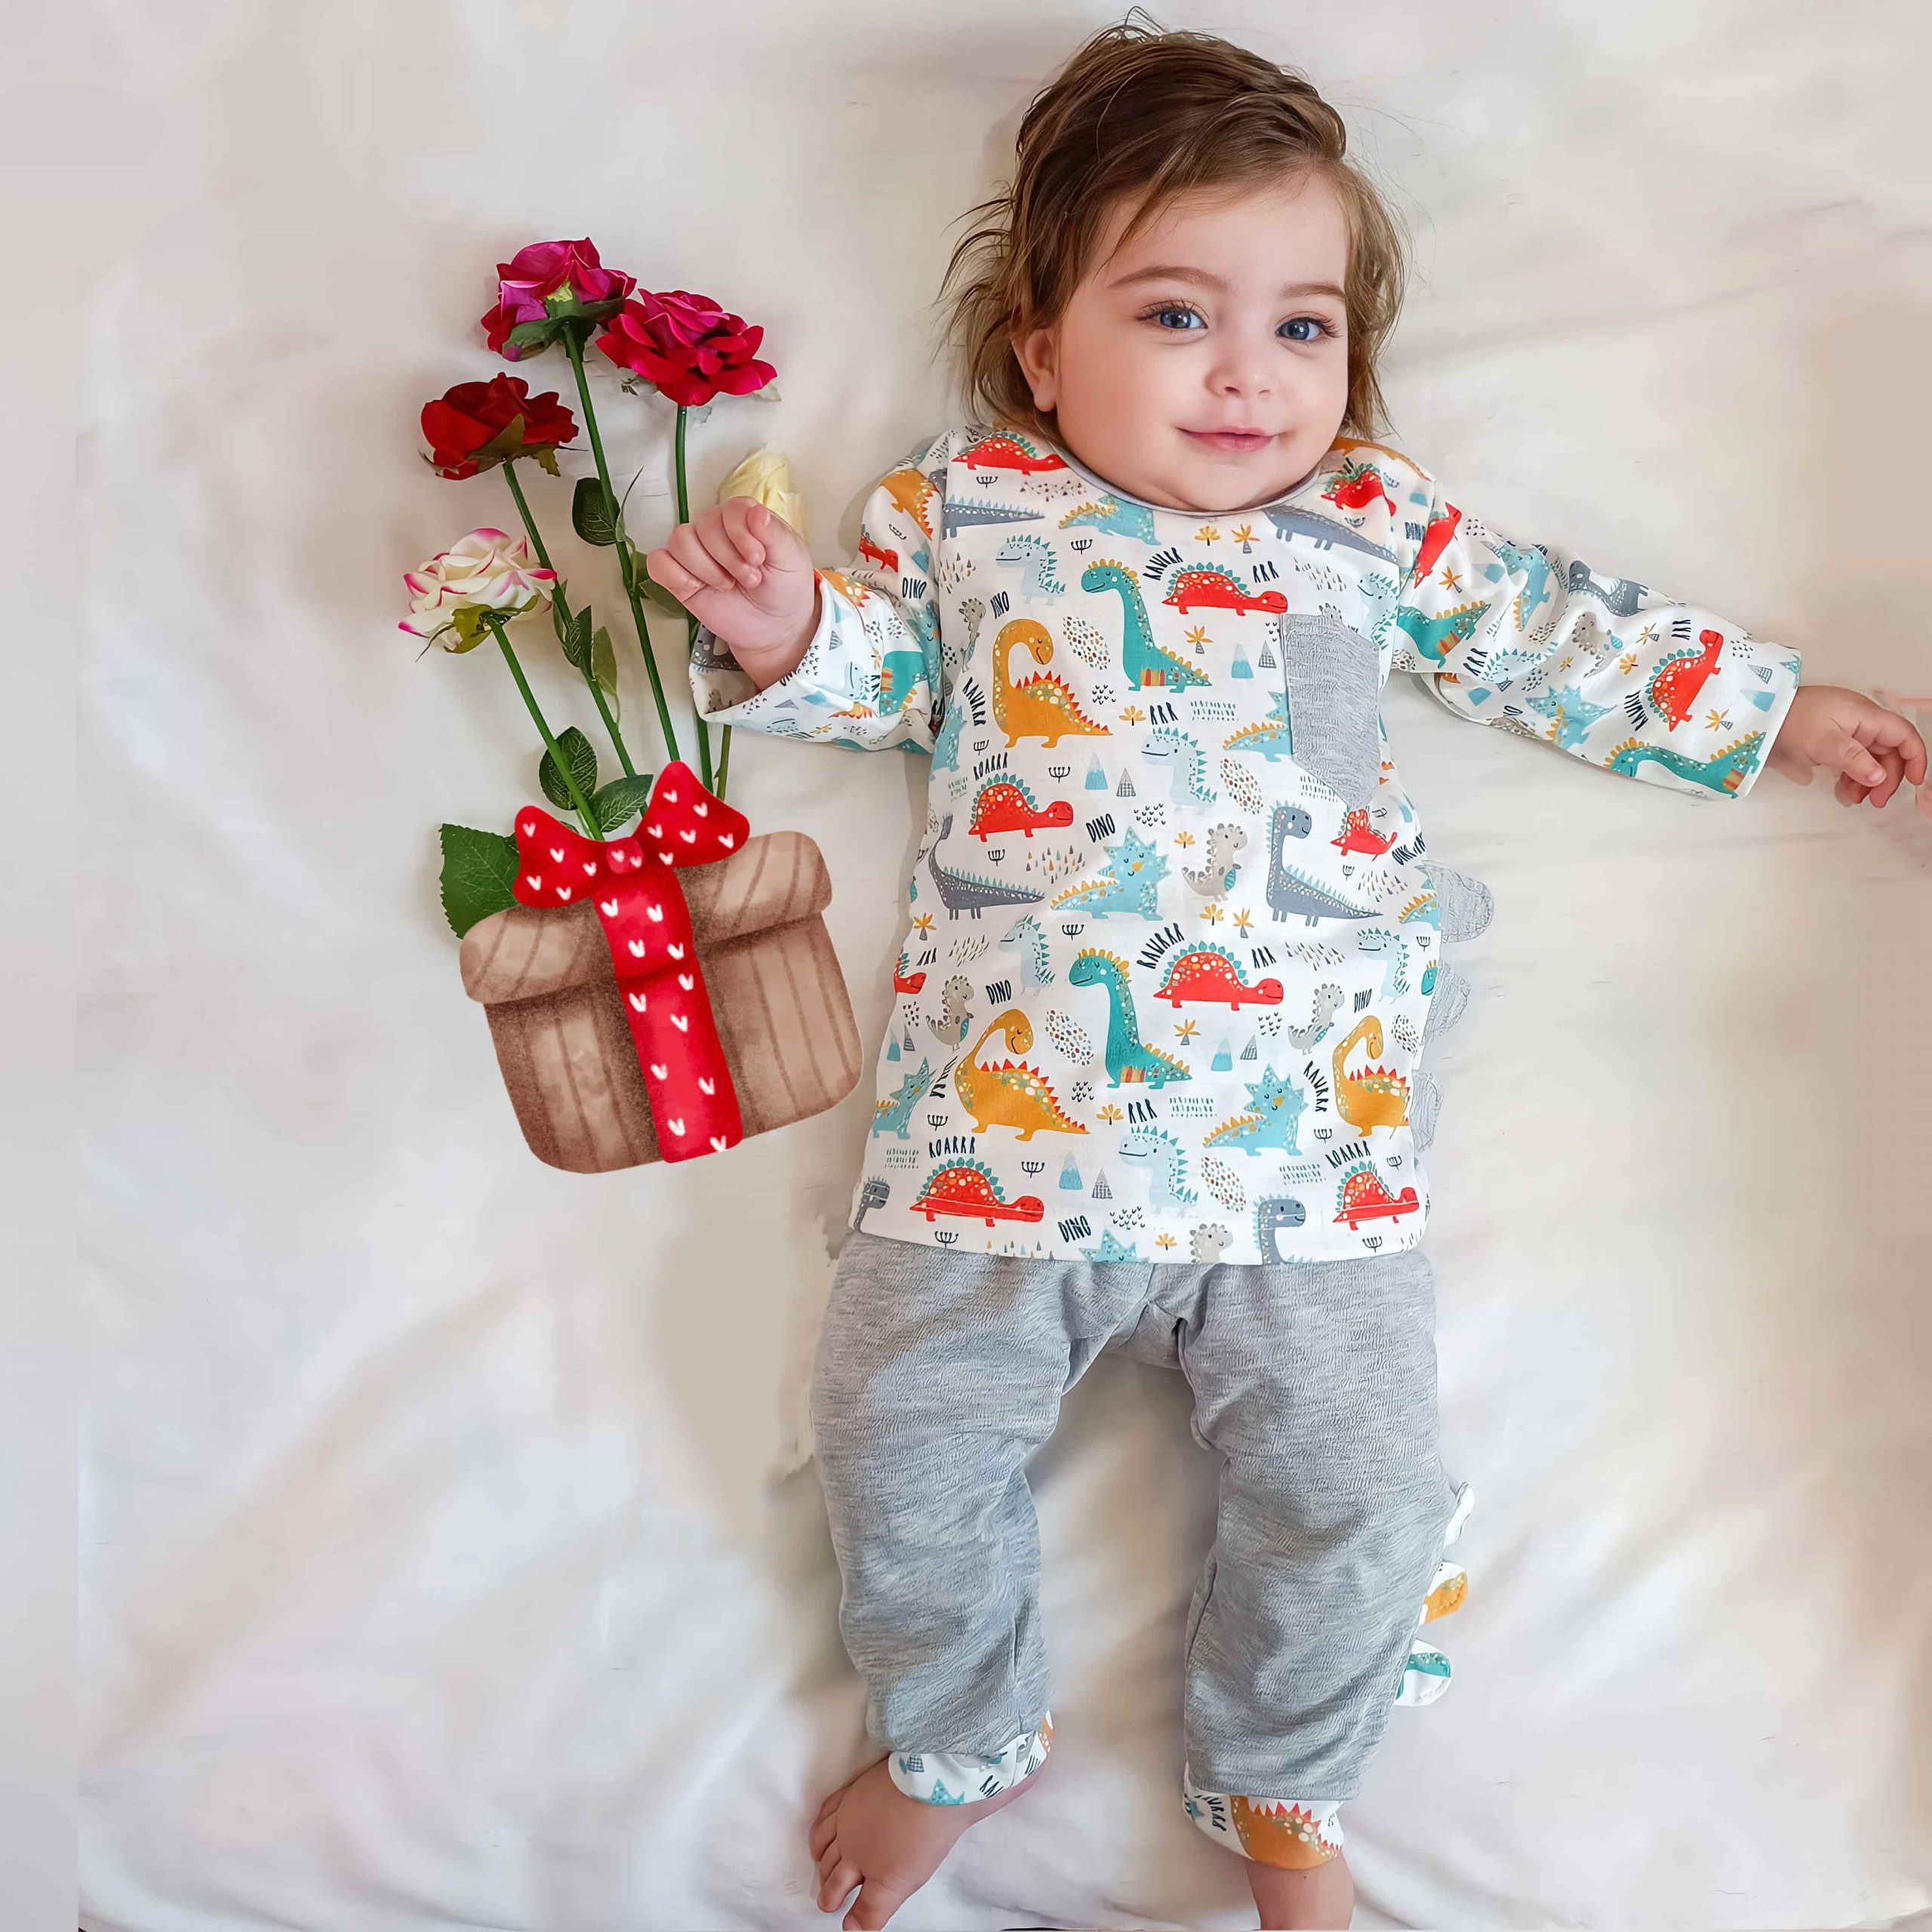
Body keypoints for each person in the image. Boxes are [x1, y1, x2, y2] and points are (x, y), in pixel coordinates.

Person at [643, 18, 1927, 1928]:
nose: (1247, 372)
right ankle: (955, 1737)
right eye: (1175, 316)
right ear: (1037, 350)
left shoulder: (1367, 525)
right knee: (893, 1438)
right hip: (999, 1152)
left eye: (1301, 326)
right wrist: (785, 629)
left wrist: (1777, 713)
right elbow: (889, 680)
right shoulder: (965, 510)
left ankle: (1286, 1786)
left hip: (1303, 1160)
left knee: (1359, 1500)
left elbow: (1550, 637)